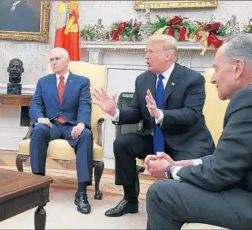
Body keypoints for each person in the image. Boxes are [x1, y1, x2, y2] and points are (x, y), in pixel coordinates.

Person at [145, 33, 252, 230]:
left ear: (237, 68)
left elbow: (220, 173)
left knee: (161, 194)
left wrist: (170, 170)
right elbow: (234, 158)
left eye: (216, 69)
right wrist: (188, 163)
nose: (212, 79)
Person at [92, 34, 215, 217]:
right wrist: (114, 112)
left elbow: (191, 114)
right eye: (145, 51)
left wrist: (160, 114)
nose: (146, 56)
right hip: (154, 137)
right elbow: (135, 112)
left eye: (151, 52)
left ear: (169, 55)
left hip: (186, 139)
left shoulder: (193, 79)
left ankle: (179, 209)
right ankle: (130, 200)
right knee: (123, 143)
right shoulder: (143, 79)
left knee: (184, 173)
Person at [29, 47, 93, 214]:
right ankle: (38, 187)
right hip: (51, 125)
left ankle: (82, 193)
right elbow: (35, 104)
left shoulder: (82, 81)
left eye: (57, 59)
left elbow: (84, 105)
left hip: (72, 126)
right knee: (38, 130)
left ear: (67, 60)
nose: (54, 62)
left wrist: (81, 123)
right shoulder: (44, 81)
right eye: (51, 60)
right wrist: (39, 117)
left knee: (86, 135)